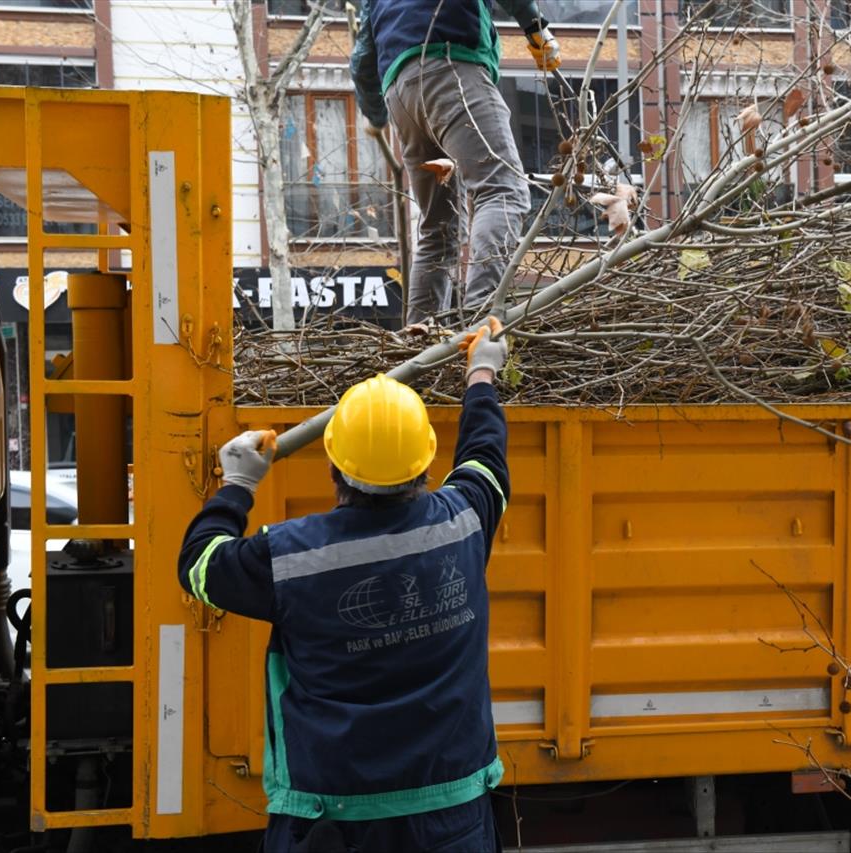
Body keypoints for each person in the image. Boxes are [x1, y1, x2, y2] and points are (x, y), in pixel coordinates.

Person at [177, 318, 511, 853]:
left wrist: (237, 485)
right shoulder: (465, 521)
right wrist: (482, 371)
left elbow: (199, 565)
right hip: (452, 817)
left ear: (333, 467)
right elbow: (484, 455)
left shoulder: (288, 557)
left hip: (331, 823)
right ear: (425, 465)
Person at [351, 0, 561, 325]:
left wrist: (375, 116)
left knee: (439, 227)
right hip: (452, 67)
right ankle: (482, 323)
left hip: (401, 96)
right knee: (503, 191)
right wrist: (536, 27)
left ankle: (420, 347)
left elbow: (362, 59)